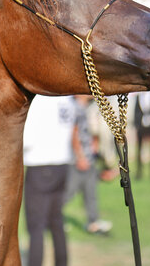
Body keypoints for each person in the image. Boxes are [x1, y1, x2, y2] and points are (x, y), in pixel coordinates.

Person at [23, 95, 75, 266]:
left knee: (36, 226)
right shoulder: (66, 99)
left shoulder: (40, 100)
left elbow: (27, 139)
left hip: (40, 164)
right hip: (62, 163)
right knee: (56, 221)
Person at [64, 95, 112, 234]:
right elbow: (73, 133)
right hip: (77, 160)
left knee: (91, 192)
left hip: (88, 159)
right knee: (68, 193)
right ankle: (50, 219)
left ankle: (93, 223)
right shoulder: (74, 107)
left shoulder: (85, 108)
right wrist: (80, 157)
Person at [133, 90, 150, 180]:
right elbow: (136, 111)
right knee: (139, 150)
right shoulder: (138, 97)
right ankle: (139, 172)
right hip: (141, 127)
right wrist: (137, 124)